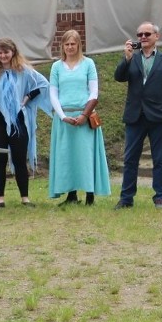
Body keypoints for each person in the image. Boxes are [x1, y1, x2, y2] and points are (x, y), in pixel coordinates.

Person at [0, 37, 50, 208]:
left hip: (18, 119)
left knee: (19, 159)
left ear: (13, 52)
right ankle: (0, 199)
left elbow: (42, 84)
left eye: (6, 52)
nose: (3, 56)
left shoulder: (23, 71)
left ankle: (25, 197)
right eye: (0, 52)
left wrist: (27, 97)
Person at [114, 21, 162, 209]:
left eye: (147, 34)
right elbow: (119, 77)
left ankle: (160, 197)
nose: (143, 37)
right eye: (139, 34)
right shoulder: (132, 58)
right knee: (130, 159)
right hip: (135, 116)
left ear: (156, 36)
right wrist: (126, 59)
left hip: (158, 117)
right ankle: (126, 198)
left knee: (159, 159)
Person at [48, 30, 111, 205]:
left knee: (86, 155)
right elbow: (53, 93)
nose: (69, 47)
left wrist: (84, 115)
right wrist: (62, 116)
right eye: (66, 44)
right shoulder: (57, 67)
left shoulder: (88, 64)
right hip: (64, 118)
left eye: (73, 44)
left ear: (78, 45)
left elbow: (94, 91)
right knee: (67, 156)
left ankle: (90, 194)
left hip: (85, 116)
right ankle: (71, 195)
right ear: (62, 46)